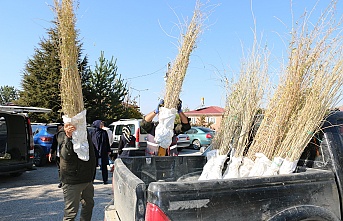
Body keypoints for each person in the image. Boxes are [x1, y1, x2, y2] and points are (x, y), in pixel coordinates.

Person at [57, 123, 96, 221]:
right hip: (72, 179)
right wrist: (68, 137)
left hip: (87, 178)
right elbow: (65, 155)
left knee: (89, 205)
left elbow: (90, 153)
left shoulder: (84, 130)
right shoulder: (63, 132)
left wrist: (92, 175)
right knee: (71, 213)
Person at [91, 120, 111, 184]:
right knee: (93, 166)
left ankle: (105, 180)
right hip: (94, 152)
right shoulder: (92, 132)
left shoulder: (104, 132)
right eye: (101, 124)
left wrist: (108, 150)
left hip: (103, 151)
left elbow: (107, 142)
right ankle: (92, 179)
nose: (102, 125)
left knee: (104, 166)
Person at [49, 123, 63, 188]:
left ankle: (66, 181)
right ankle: (61, 181)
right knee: (59, 169)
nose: (60, 129)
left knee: (65, 169)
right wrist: (50, 153)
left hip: (64, 155)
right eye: (59, 128)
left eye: (61, 128)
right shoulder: (56, 136)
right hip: (58, 154)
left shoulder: (66, 135)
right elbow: (53, 145)